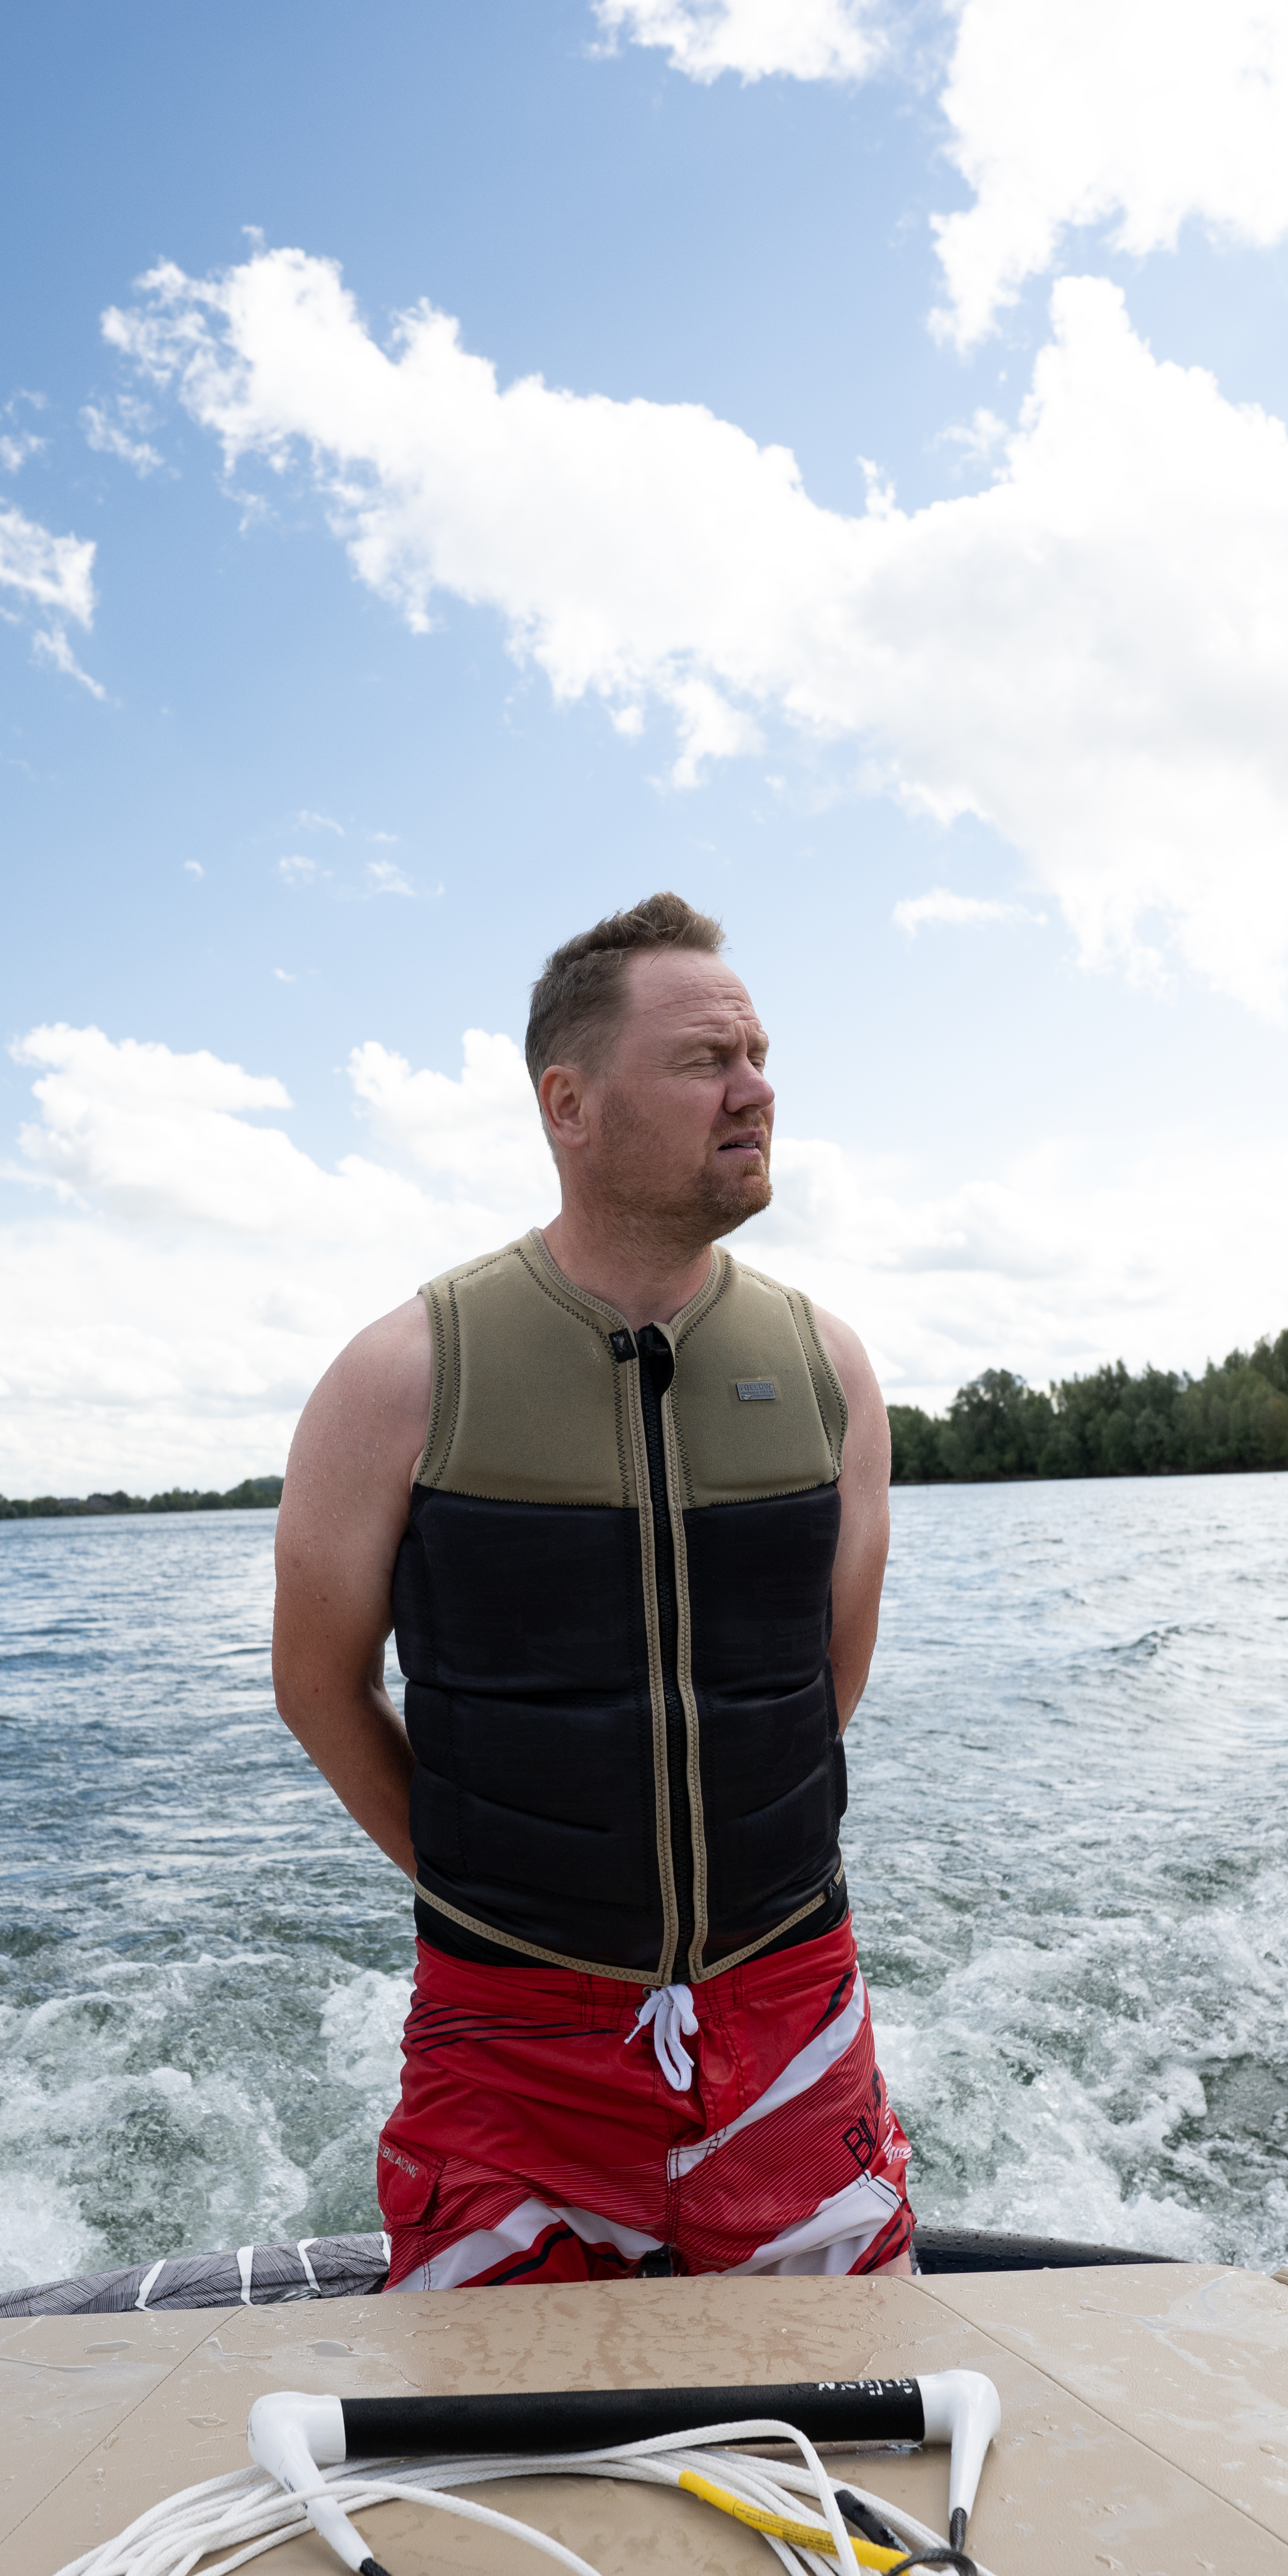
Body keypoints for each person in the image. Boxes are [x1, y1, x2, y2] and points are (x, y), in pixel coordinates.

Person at [275, 894, 913, 2290]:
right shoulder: (402, 1378)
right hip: (508, 2042)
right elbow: (318, 1686)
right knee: (492, 2428)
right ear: (569, 1104)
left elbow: (827, 1676)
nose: (755, 1091)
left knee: (855, 2415)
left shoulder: (829, 1370)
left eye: (758, 1055)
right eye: (705, 1061)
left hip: (791, 2010)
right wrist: (500, 1890)